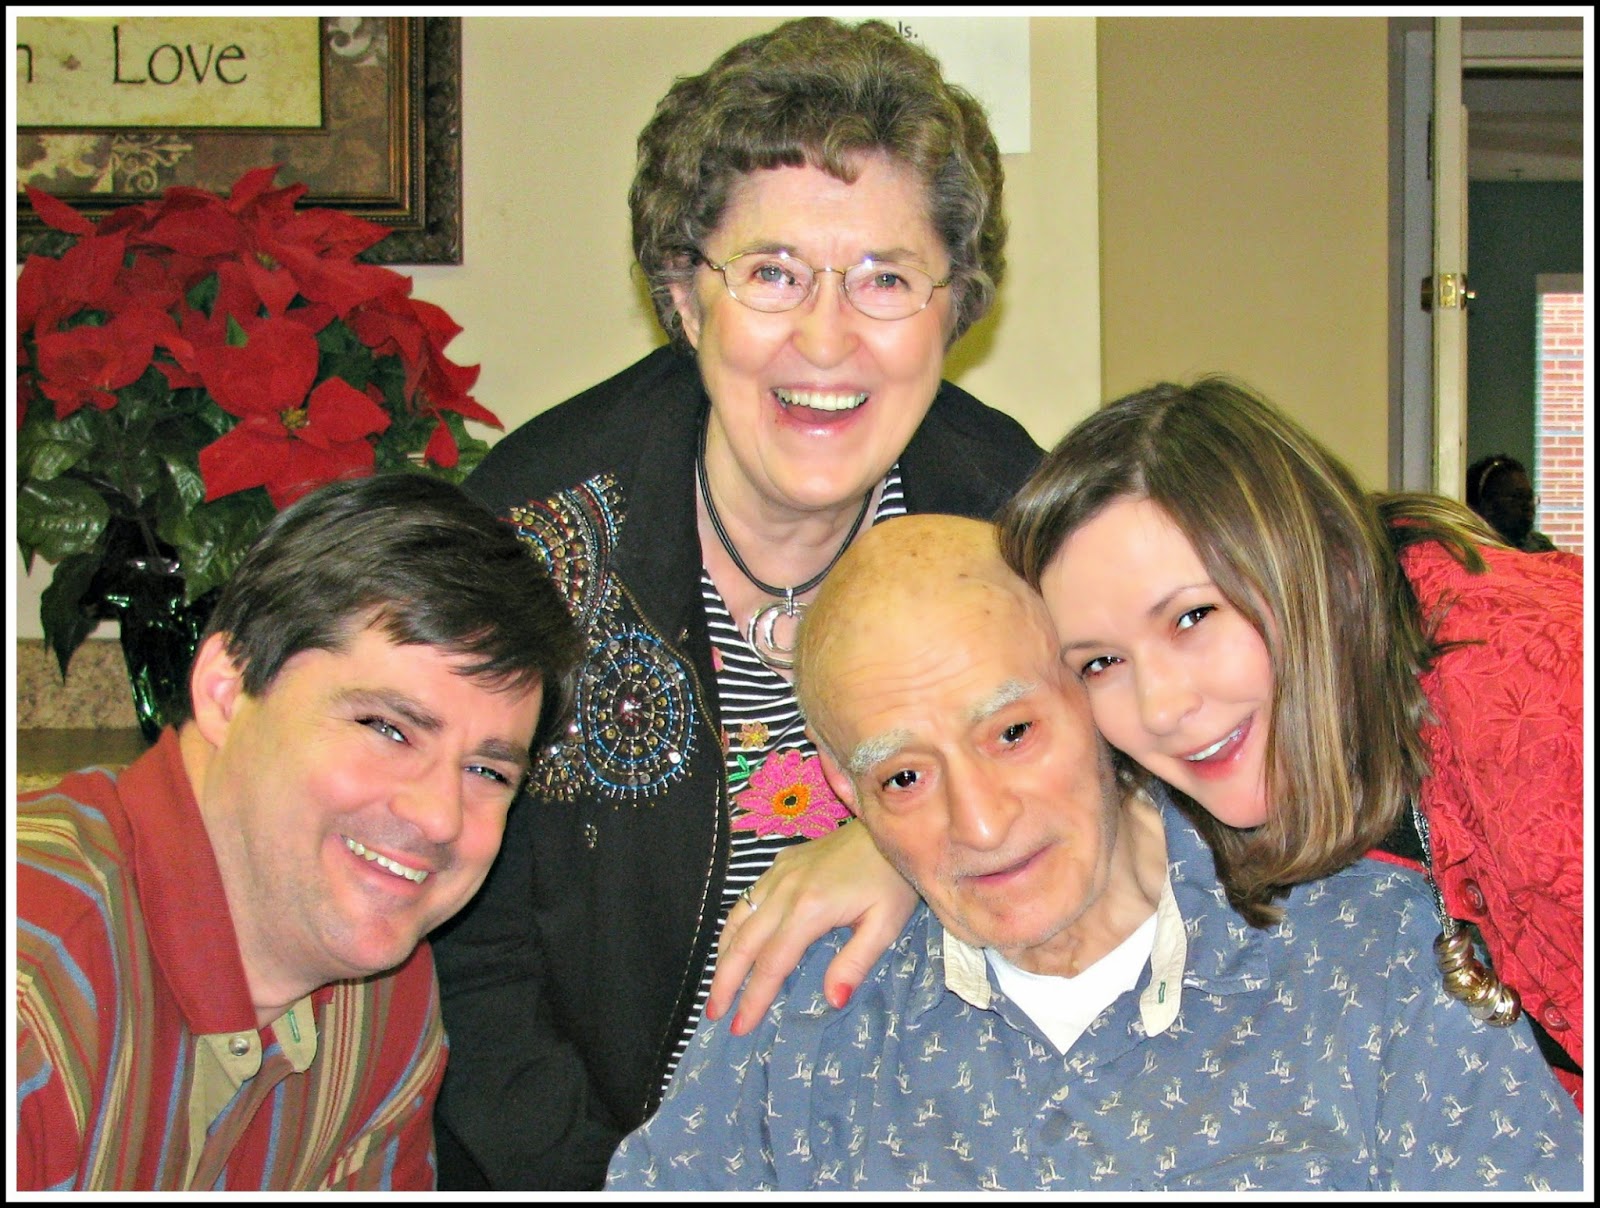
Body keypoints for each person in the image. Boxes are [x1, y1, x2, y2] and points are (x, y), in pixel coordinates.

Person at [427, 17, 1043, 1190]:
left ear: (952, 305)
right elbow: (468, 955)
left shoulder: (1016, 524)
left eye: (884, 277)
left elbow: (1136, 802)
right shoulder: (537, 538)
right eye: (771, 273)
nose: (826, 337)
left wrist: (904, 843)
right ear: (683, 293)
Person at [605, 514, 1584, 1192]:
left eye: (1012, 733)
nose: (981, 823)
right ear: (842, 788)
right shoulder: (808, 1011)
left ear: (1092, 689)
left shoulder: (1376, 955)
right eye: (903, 777)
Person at [713, 377, 1585, 1114]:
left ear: (1315, 561)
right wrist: (891, 828)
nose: (1162, 707)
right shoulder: (1234, 745)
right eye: (1100, 661)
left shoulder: (1534, 700)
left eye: (1193, 617)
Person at [15, 473, 582, 1191]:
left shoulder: (381, 998)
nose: (441, 816)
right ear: (226, 689)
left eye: (487, 772)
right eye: (388, 728)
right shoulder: (32, 987)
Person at [1465, 452, 1557, 552]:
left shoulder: (1541, 547)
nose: (1527, 506)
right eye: (1517, 497)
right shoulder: (1469, 549)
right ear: (1487, 505)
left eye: (1529, 497)